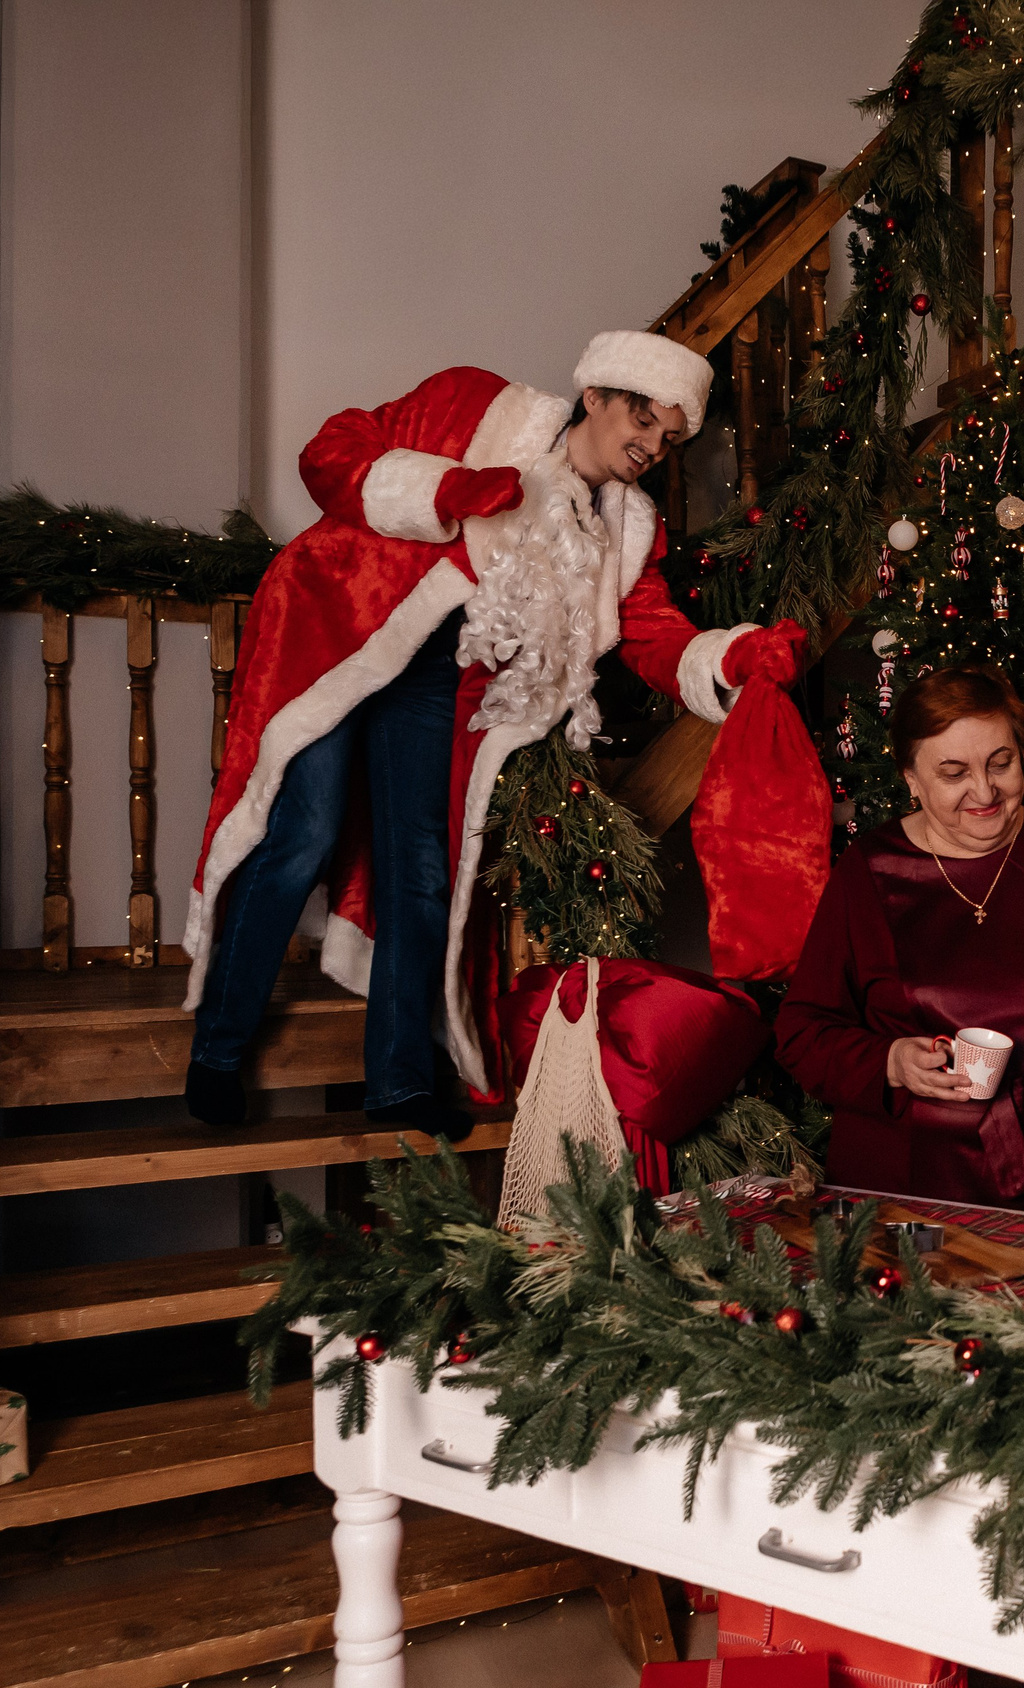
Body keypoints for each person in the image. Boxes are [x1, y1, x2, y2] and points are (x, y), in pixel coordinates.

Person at [184, 333, 802, 1138]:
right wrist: (442, 489)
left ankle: (399, 1084)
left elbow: (651, 634)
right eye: (643, 418)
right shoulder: (478, 405)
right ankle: (219, 1052)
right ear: (597, 397)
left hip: (441, 684)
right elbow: (332, 451)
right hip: (341, 633)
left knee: (423, 870)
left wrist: (733, 655)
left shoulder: (625, 530)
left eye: (669, 437)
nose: (650, 446)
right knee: (300, 831)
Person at [776, 666, 1024, 1214]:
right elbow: (800, 1032)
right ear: (911, 779)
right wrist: (890, 1061)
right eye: (954, 773)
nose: (984, 791)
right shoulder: (869, 871)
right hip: (905, 1174)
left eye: (1000, 763)